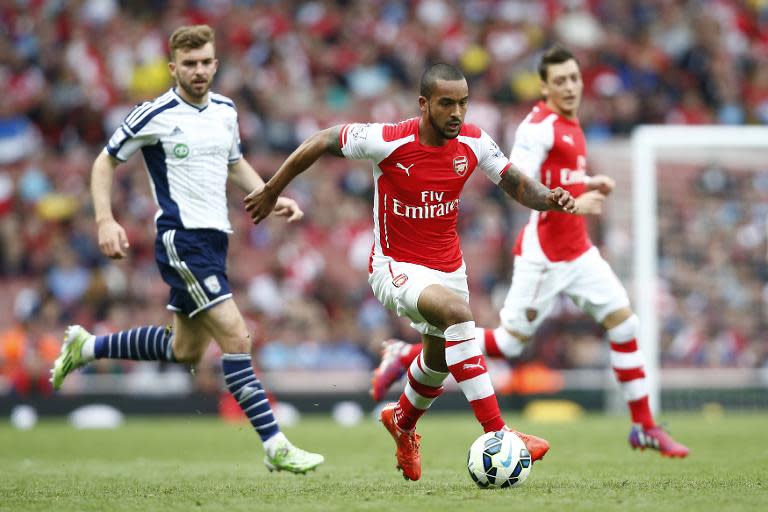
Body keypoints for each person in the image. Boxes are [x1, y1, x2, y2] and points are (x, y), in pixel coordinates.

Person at [244, 63, 577, 481]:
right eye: (446, 104)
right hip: (395, 266)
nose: (457, 113)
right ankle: (500, 432)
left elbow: (513, 183)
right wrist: (273, 188)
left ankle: (401, 421)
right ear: (424, 104)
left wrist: (550, 198)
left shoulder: (474, 143)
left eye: (463, 103)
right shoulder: (389, 139)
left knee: (438, 360)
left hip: (449, 267)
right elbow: (321, 139)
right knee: (458, 316)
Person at [370, 46, 689, 458]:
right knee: (509, 342)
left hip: (580, 250)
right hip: (546, 252)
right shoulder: (538, 126)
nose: (570, 87)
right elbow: (520, 178)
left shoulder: (572, 125)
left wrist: (587, 184)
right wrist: (578, 196)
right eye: (561, 81)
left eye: (575, 79)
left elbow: (562, 178)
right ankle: (410, 355)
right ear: (544, 86)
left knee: (626, 326)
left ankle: (643, 427)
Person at [49, 25, 324, 474]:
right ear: (173, 67)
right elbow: (105, 160)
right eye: (189, 64)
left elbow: (234, 162)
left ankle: (88, 347)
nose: (198, 71)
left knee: (186, 351)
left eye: (205, 62)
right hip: (181, 238)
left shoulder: (225, 111)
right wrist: (105, 219)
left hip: (216, 240)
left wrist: (271, 193)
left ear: (216, 64)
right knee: (236, 336)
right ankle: (275, 444)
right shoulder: (153, 113)